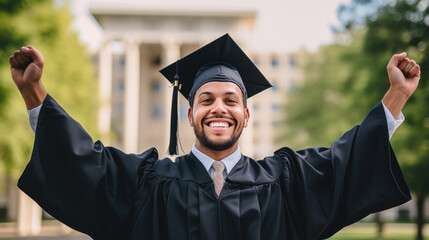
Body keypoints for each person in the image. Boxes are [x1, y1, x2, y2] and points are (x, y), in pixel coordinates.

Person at [9, 34, 419, 240]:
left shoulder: (284, 182)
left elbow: (343, 163)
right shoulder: (150, 184)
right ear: (190, 114)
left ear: (246, 114)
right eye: (206, 99)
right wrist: (33, 92)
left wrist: (397, 94)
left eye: (230, 100)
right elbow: (85, 164)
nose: (218, 108)